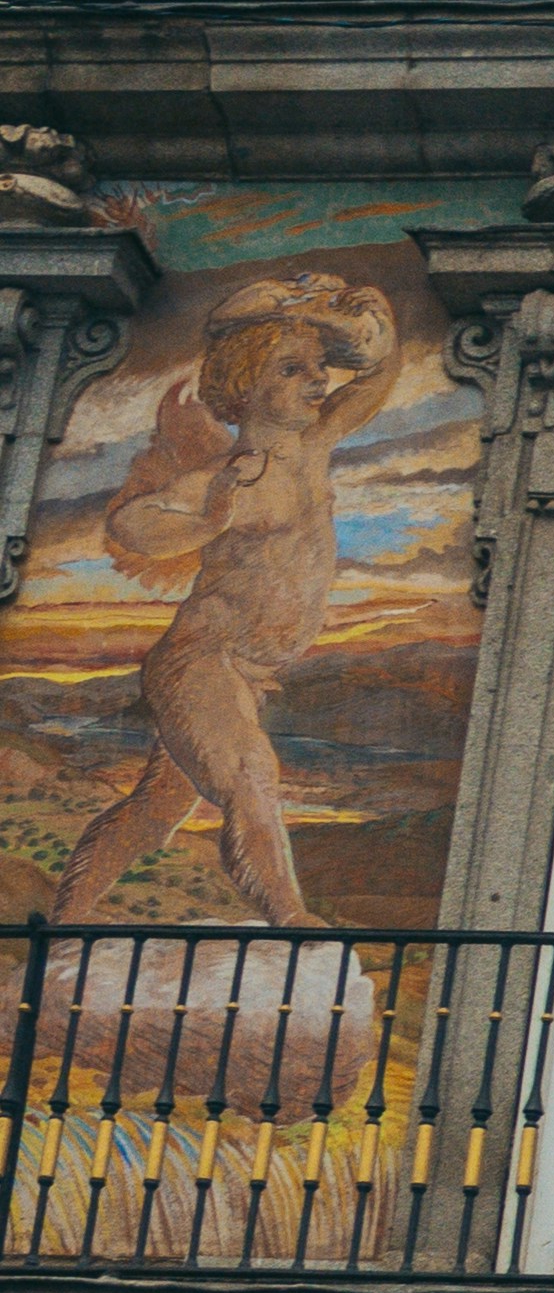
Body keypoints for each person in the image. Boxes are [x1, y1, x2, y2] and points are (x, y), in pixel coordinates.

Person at [53, 273, 396, 929]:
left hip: (250, 673)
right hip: (202, 660)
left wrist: (367, 307)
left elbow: (379, 375)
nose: (318, 381)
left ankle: (65, 921)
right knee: (248, 772)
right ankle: (289, 917)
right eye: (294, 370)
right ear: (245, 386)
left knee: (155, 811)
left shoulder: (315, 448)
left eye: (318, 368)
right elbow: (132, 525)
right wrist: (207, 521)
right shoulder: (224, 479)